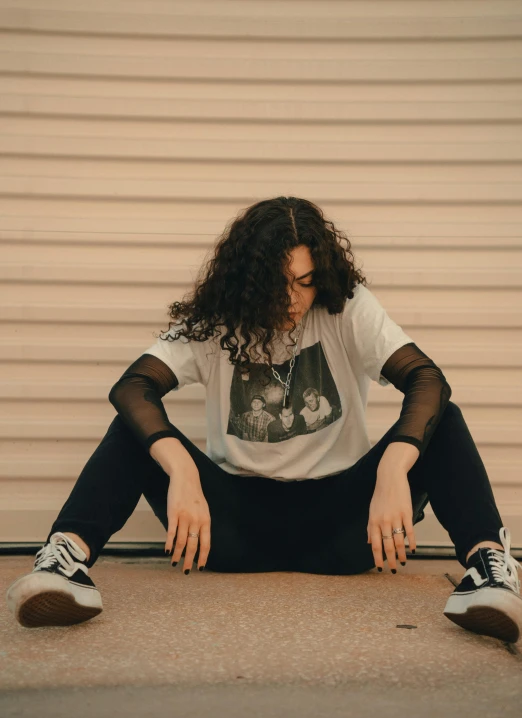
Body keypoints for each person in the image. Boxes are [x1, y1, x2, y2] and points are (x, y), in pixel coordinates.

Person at [6, 196, 521, 643]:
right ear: (248, 281)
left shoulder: (347, 308)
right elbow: (133, 387)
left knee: (444, 420)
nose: (294, 299)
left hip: (343, 526)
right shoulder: (215, 321)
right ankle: (64, 561)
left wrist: (392, 468)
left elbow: (427, 379)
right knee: (131, 431)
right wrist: (182, 471)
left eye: (306, 281)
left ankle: (489, 572)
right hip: (230, 528)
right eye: (279, 284)